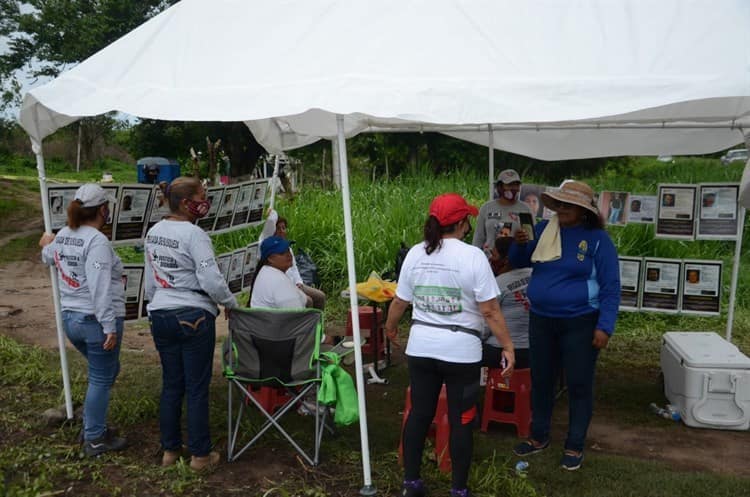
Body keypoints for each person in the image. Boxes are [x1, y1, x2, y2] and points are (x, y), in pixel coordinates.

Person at [385, 193, 515, 497]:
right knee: (461, 419)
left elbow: (400, 301)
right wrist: (507, 345)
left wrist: (390, 328)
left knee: (420, 413)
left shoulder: (416, 253)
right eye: (467, 219)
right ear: (461, 223)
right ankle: (458, 489)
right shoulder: (472, 257)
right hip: (461, 352)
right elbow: (490, 310)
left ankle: (412, 483)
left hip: (421, 347)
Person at [509, 180, 620, 471]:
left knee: (579, 383)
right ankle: (539, 436)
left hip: (580, 321)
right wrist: (519, 244)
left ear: (584, 210)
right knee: (542, 380)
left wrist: (604, 326)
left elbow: (611, 286)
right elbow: (522, 261)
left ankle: (574, 444)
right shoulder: (545, 230)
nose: (562, 209)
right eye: (560, 204)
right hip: (542, 318)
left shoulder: (597, 240)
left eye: (569, 205)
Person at [144, 176, 238, 471]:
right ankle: (200, 455)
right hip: (193, 315)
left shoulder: (154, 232)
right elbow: (211, 278)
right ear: (186, 203)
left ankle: (170, 451)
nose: (205, 201)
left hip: (161, 312)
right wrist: (231, 304)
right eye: (202, 196)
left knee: (172, 384)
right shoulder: (195, 235)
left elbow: (150, 279)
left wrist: (153, 306)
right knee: (197, 387)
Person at [39, 184, 127, 457]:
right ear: (103, 209)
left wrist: (46, 244)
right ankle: (94, 437)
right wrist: (109, 326)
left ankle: (93, 424)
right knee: (101, 378)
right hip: (94, 320)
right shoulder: (97, 241)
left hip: (71, 319)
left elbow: (47, 256)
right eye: (108, 207)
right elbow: (99, 286)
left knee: (106, 372)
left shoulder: (65, 234)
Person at [258, 208, 326, 310]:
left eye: (283, 228)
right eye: (278, 228)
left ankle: (318, 324)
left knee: (320, 296)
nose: (281, 231)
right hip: (282, 288)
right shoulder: (267, 247)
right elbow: (263, 237)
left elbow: (294, 268)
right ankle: (304, 325)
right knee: (308, 301)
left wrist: (299, 282)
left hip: (295, 284)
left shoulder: (287, 247)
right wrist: (272, 216)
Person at [484, 237, 532, 370]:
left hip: (500, 351)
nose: (491, 259)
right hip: (533, 350)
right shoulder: (535, 275)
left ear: (506, 259)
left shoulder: (497, 283)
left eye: (494, 254)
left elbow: (485, 326)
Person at [473, 169, 535, 255]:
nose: (513, 188)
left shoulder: (525, 208)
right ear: (500, 187)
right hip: (489, 259)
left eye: (516, 185)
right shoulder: (486, 208)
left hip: (515, 260)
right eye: (509, 185)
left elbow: (531, 238)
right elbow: (478, 238)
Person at [249, 236, 308, 309]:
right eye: (282, 253)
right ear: (270, 259)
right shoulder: (278, 282)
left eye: (288, 250)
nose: (288, 255)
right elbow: (298, 313)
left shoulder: (266, 271)